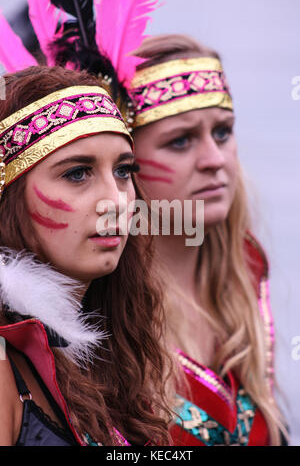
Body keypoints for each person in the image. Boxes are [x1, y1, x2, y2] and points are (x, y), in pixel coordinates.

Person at [0, 65, 171, 446]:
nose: (115, 201)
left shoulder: (117, 353)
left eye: (124, 171)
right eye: (78, 173)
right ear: (8, 199)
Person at [129, 34, 287, 446]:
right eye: (180, 140)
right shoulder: (94, 306)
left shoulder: (246, 270)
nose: (214, 159)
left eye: (222, 132)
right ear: (124, 164)